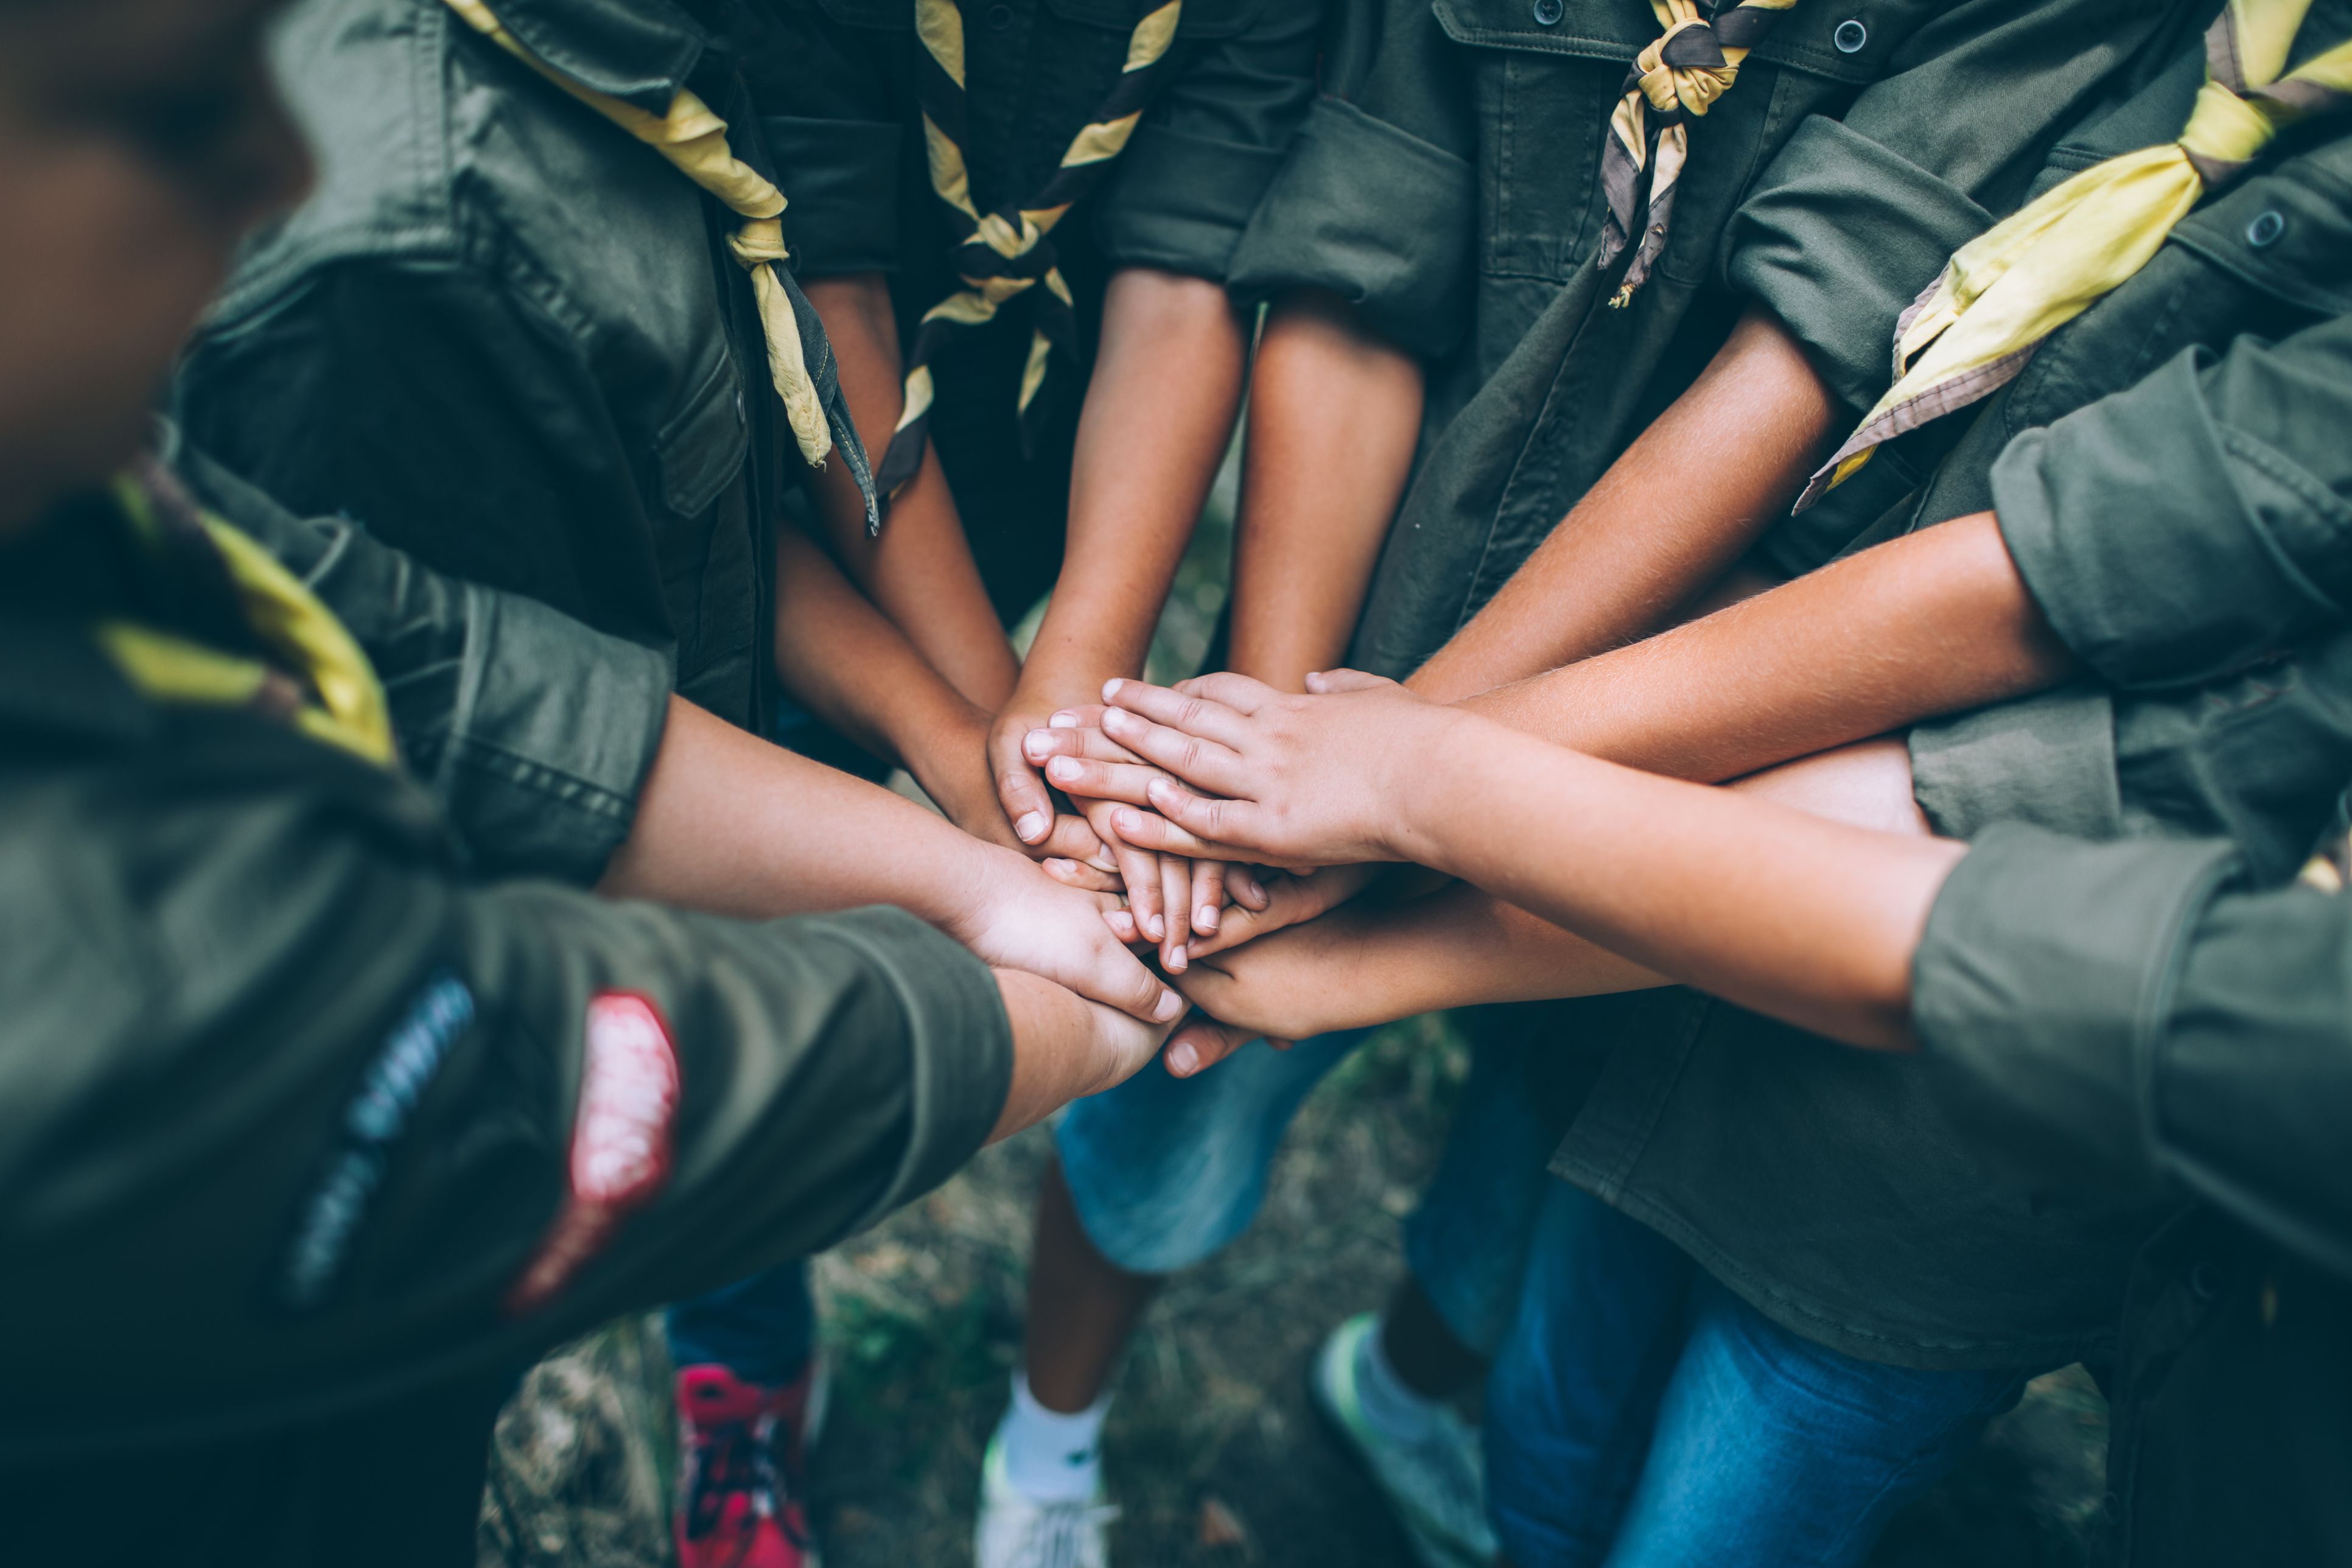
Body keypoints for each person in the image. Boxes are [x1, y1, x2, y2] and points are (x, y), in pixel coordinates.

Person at [1004, 0, 2212, 1558]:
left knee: (1553, 1114)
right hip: (1371, 651)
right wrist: (1278, 744)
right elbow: (1360, 253)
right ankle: (1044, 1456)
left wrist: (1413, 767)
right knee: (1173, 1080)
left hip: (1688, 730)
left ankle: (1408, 1396)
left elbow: (1804, 363)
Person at [0, 4, 1175, 1566]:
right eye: (181, 113)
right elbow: (546, 1093)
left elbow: (444, 668)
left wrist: (979, 874)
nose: (272, 166)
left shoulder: (59, 472)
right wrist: (1069, 1008)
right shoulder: (389, 249)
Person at [1079, 665, 2352, 1567]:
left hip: (1949, 1242)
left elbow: (2009, 947)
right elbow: (1975, 811)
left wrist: (1422, 790)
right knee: (1543, 1458)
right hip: (1704, 1065)